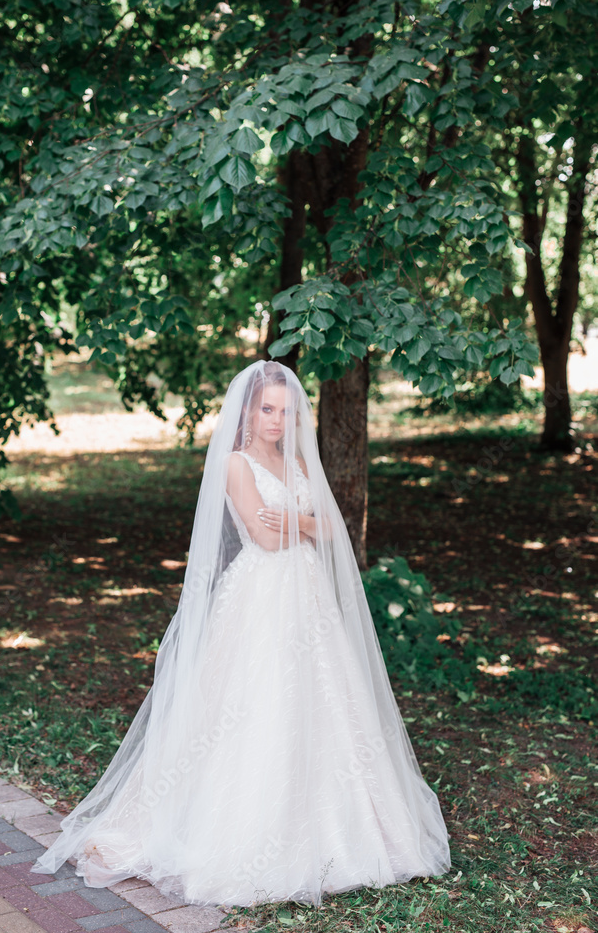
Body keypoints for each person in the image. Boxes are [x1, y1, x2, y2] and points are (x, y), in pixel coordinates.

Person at [31, 360, 451, 907]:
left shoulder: (296, 460)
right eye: (267, 409)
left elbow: (331, 526)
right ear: (249, 411)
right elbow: (264, 535)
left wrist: (298, 521)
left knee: (326, 699)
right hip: (260, 595)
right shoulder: (235, 464)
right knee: (254, 704)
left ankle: (346, 831)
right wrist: (303, 524)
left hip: (309, 600)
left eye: (286, 409)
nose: (277, 420)